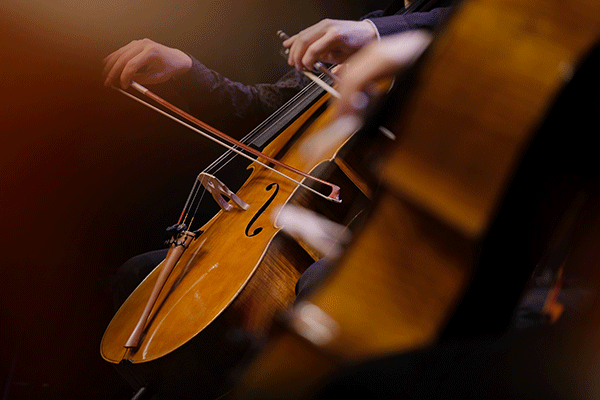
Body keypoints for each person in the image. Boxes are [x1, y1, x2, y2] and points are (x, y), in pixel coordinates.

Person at [105, 0, 454, 310]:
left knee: (319, 284)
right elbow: (269, 109)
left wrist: (375, 34)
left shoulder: (464, 19)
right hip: (281, 207)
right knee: (136, 275)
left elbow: (467, 20)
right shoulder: (371, 22)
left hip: (404, 205)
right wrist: (188, 68)